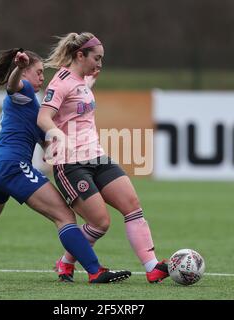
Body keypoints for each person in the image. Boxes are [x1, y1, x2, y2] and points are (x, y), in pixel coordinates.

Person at [0, 48, 131, 284]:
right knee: (64, 216)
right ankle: (95, 271)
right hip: (13, 166)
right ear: (25, 74)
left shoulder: (36, 106)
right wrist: (19, 69)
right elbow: (13, 86)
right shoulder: (26, 92)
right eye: (39, 72)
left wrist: (53, 149)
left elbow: (44, 141)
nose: (43, 78)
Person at [37, 32, 169, 283]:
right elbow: (43, 117)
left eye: (101, 59)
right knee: (100, 223)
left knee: (132, 206)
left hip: (97, 157)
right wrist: (56, 134)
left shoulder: (80, 82)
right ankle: (66, 262)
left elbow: (77, 104)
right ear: (80, 55)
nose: (100, 64)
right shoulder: (60, 81)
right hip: (70, 163)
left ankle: (152, 267)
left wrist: (89, 85)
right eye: (97, 58)